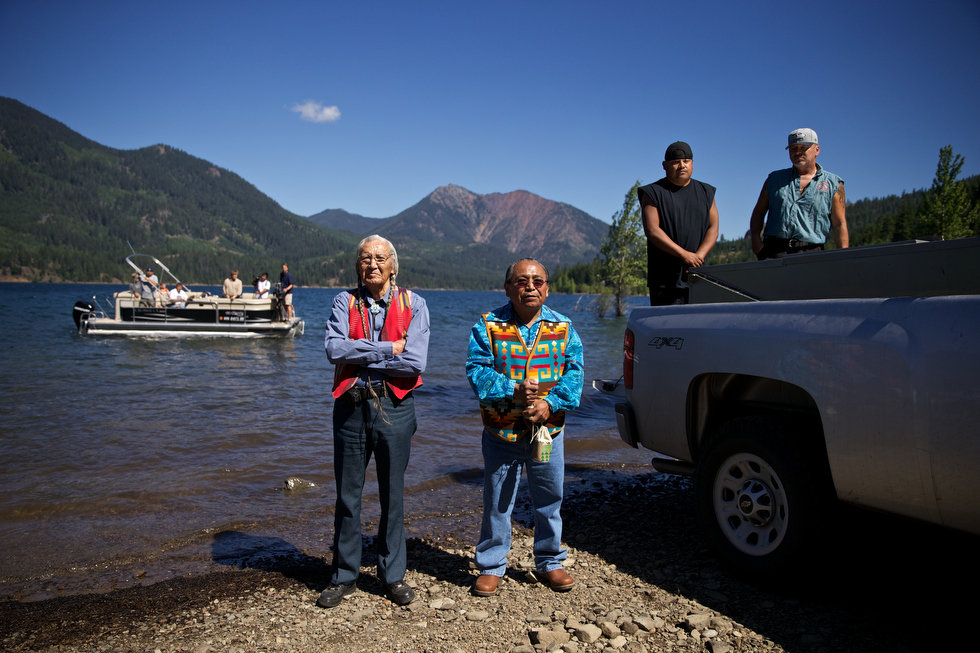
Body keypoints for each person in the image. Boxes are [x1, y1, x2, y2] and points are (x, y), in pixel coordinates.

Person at [318, 235, 430, 609]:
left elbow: (415, 362)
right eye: (365, 258)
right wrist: (385, 349)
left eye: (380, 258)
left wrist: (360, 355)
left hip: (395, 408)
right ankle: (345, 576)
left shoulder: (415, 304)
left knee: (392, 496)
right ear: (357, 266)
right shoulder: (342, 301)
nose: (372, 265)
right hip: (350, 408)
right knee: (347, 497)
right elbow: (334, 350)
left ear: (393, 264)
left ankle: (392, 575)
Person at [465, 258, 584, 597]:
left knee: (550, 497)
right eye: (522, 280)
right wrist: (512, 388)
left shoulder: (563, 327)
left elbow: (575, 375)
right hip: (501, 431)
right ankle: (491, 565)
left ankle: (549, 560)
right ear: (508, 287)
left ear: (547, 288)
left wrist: (551, 404)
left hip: (549, 431)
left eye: (538, 281)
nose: (530, 286)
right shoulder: (488, 325)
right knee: (497, 501)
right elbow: (476, 372)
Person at [638, 141, 719, 306]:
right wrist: (685, 255)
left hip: (699, 276)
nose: (682, 165)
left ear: (692, 165)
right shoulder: (653, 192)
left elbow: (714, 227)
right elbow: (652, 230)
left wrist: (698, 258)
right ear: (664, 165)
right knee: (667, 329)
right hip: (665, 281)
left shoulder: (706, 192)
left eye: (686, 161)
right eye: (676, 162)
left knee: (700, 328)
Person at [750, 128, 849, 259]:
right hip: (773, 252)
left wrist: (844, 257)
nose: (797, 152)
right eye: (793, 148)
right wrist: (757, 244)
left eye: (803, 148)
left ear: (817, 150)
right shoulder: (774, 179)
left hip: (813, 253)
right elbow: (758, 212)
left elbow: (839, 224)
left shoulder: (833, 184)